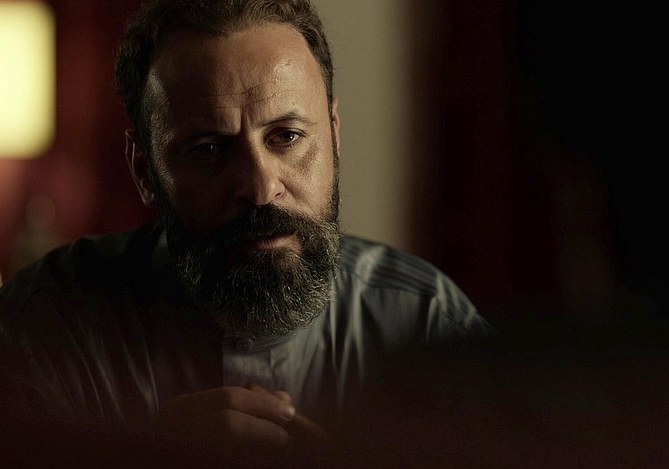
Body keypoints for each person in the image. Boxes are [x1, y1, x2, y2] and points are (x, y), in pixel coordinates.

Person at [0, 0, 490, 465]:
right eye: (209, 150)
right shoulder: (47, 329)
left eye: (287, 137)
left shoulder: (428, 326)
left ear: (335, 135)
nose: (259, 187)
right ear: (144, 171)